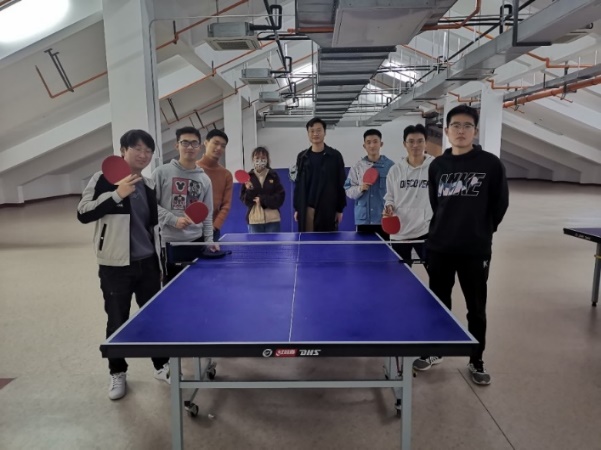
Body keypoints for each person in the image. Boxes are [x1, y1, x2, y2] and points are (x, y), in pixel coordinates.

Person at [76, 129, 170, 401]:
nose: (143, 154)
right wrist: (117, 194)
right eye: (137, 148)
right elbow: (83, 213)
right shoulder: (102, 179)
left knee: (153, 318)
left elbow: (152, 227)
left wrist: (159, 262)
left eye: (148, 150)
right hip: (115, 266)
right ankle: (117, 372)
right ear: (123, 151)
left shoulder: (148, 185)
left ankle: (161, 366)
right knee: (117, 320)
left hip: (148, 264)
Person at [423, 104, 509, 385]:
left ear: (475, 130)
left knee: (476, 307)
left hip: (475, 249)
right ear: (446, 130)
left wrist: (482, 231)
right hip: (440, 247)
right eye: (456, 126)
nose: (461, 131)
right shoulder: (437, 165)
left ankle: (476, 359)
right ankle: (436, 349)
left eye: (467, 126)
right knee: (438, 304)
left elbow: (500, 204)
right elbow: (436, 203)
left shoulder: (491, 164)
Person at [153, 127, 218, 284]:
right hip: (170, 244)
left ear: (199, 147)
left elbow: (207, 214)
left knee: (197, 287)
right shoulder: (161, 173)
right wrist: (173, 220)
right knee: (172, 288)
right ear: (177, 145)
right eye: (185, 142)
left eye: (194, 143)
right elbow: (151, 205)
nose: (190, 147)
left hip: (197, 241)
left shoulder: (204, 179)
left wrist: (209, 240)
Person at [383, 124, 433, 267]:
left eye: (420, 141)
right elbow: (389, 196)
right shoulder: (395, 170)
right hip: (400, 232)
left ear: (426, 143)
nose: (415, 145)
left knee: (435, 273)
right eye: (411, 141)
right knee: (400, 274)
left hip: (426, 230)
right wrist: (389, 206)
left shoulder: (435, 167)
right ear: (404, 144)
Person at [293, 118, 346, 232]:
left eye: (318, 130)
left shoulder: (335, 156)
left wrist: (339, 209)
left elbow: (341, 183)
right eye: (312, 131)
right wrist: (298, 208)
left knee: (326, 241)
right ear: (308, 134)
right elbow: (298, 184)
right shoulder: (302, 157)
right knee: (308, 241)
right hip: (307, 208)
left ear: (324, 132)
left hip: (328, 208)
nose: (315, 134)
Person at [344, 129, 394, 238]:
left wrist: (392, 208)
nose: (372, 145)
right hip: (363, 220)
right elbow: (348, 189)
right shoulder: (357, 167)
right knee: (364, 247)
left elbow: (396, 192)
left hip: (383, 218)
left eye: (375, 142)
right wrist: (360, 188)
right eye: (368, 142)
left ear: (381, 144)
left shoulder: (391, 166)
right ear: (364, 146)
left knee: (384, 248)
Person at [196, 129, 232, 241]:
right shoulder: (192, 168)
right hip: (189, 230)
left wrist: (215, 226)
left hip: (213, 231)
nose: (219, 148)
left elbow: (226, 205)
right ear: (206, 143)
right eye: (216, 143)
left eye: (223, 146)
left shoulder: (226, 174)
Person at [240, 146, 285, 233]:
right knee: (256, 243)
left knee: (273, 243)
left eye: (263, 158)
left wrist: (263, 200)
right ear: (253, 159)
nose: (260, 160)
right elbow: (245, 201)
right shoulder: (248, 177)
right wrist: (250, 190)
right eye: (257, 158)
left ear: (267, 159)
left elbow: (280, 197)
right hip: (254, 221)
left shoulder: (273, 175)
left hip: (273, 220)